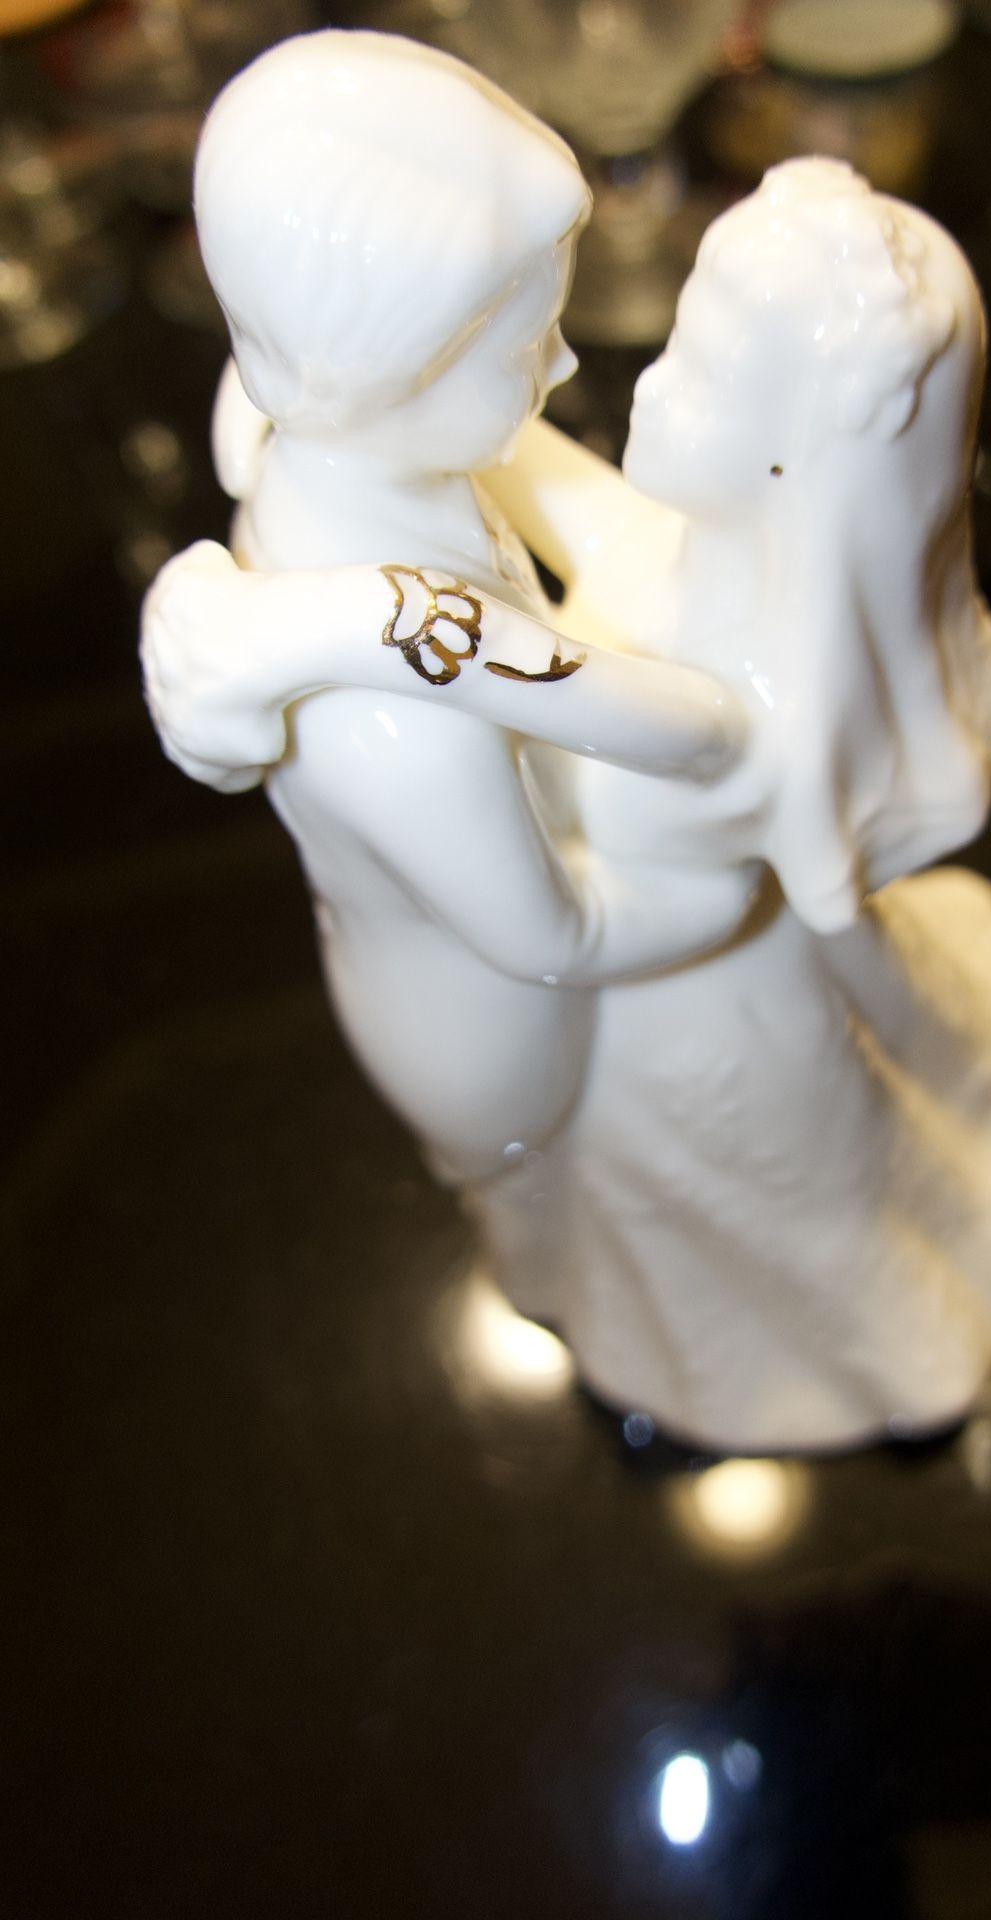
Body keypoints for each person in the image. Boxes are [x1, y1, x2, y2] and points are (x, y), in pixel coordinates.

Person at [148, 158, 991, 1452]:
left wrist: (329, 616)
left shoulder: (740, 709)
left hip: (685, 1016)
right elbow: (519, 460)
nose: (646, 381)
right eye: (686, 332)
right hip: (641, 997)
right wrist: (320, 382)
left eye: (714, 363)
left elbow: (517, 667)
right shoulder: (685, 545)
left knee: (790, 1240)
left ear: (805, 440)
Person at [147, 31, 756, 1189]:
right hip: (495, 1041)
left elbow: (595, 514)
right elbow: (559, 931)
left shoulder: (325, 435)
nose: (564, 366)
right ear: (393, 370)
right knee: (577, 1182)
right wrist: (732, 900)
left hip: (532, 886)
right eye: (530, 342)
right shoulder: (397, 727)